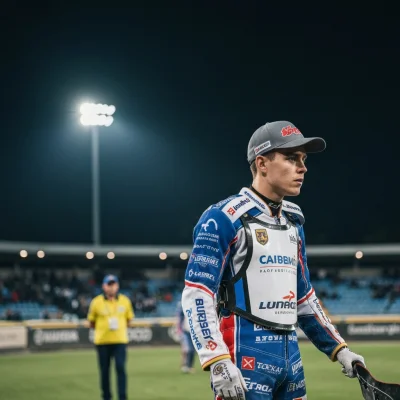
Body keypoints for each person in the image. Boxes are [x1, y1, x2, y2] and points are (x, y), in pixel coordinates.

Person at [181, 120, 366, 400]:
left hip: (291, 356)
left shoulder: (294, 220)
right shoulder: (222, 217)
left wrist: (340, 349)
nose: (302, 168)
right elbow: (198, 292)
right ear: (262, 163)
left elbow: (303, 297)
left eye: (303, 159)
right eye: (291, 158)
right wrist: (216, 359)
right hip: (243, 354)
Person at [87, 274, 134, 400]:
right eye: (109, 284)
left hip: (120, 341)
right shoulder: (96, 302)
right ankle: (106, 396)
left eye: (113, 284)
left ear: (117, 286)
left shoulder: (125, 301)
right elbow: (91, 322)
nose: (111, 287)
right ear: (104, 286)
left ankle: (122, 397)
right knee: (104, 371)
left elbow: (129, 320)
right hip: (102, 341)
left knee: (120, 368)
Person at [176, 301, 196, 373]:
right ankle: (185, 365)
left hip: (193, 332)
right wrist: (179, 330)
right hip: (185, 332)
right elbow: (179, 319)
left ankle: (189, 366)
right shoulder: (183, 307)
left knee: (192, 350)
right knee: (186, 350)